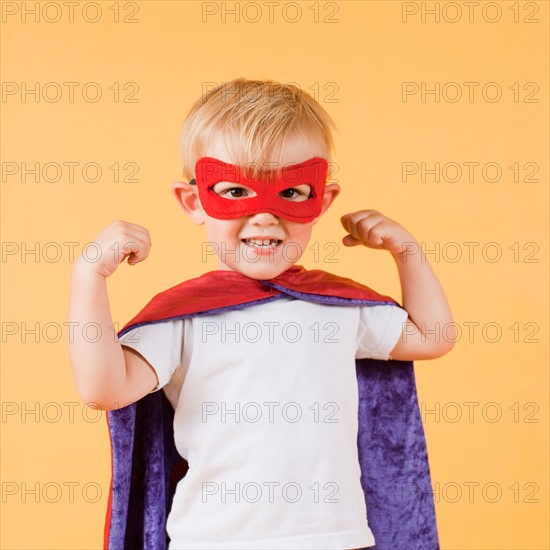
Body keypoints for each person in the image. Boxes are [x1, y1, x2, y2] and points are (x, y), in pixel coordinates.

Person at [68, 78, 455, 550]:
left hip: (334, 538)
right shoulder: (182, 320)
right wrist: (89, 277)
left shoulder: (339, 309)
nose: (266, 217)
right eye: (234, 192)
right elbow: (103, 390)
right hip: (211, 539)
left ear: (324, 201)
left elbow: (434, 336)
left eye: (292, 192)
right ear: (194, 202)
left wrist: (406, 251)